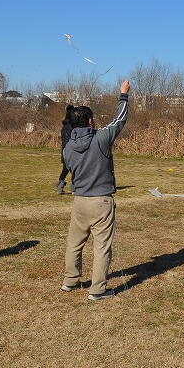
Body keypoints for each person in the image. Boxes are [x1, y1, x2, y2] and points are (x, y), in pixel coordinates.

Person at [61, 79, 130, 301]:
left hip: (79, 201)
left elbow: (70, 166)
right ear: (90, 121)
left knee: (74, 243)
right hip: (101, 202)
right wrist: (123, 94)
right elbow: (119, 120)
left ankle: (70, 281)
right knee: (102, 248)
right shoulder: (100, 139)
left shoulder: (67, 148)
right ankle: (97, 289)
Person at [56, 105, 75, 195]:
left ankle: (60, 185)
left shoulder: (64, 126)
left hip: (64, 149)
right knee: (75, 169)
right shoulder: (72, 125)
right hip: (71, 149)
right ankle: (75, 187)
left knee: (65, 169)